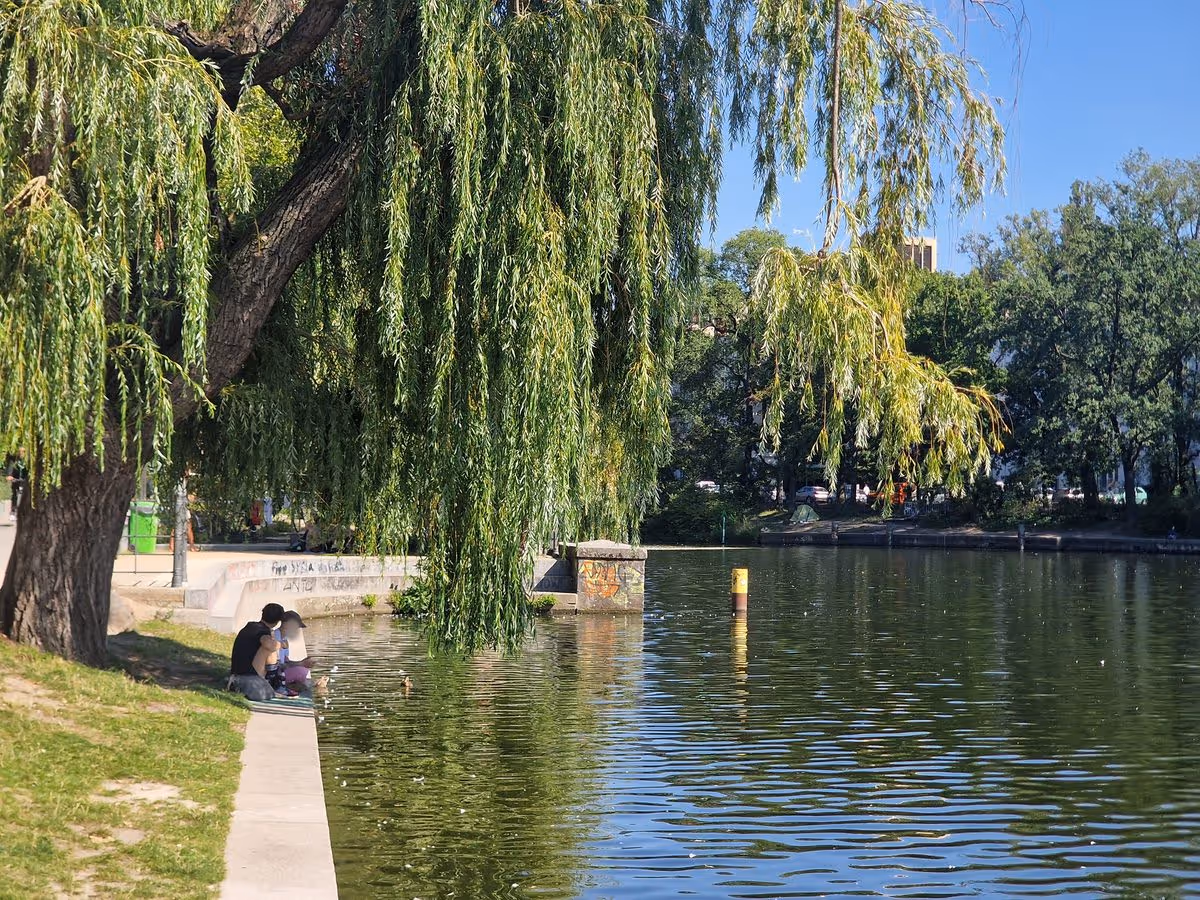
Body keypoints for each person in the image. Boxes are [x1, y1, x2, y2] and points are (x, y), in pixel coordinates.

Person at [227, 603, 286, 700]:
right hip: (249, 675)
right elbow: (269, 645)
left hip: (237, 672)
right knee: (271, 648)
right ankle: (273, 682)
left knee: (271, 645)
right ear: (277, 621)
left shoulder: (250, 627)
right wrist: (282, 644)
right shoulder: (263, 632)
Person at [279, 610, 318, 693]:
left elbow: (286, 661)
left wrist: (302, 662)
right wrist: (301, 664)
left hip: (282, 671)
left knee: (302, 671)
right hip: (275, 673)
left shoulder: (285, 639)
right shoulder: (275, 637)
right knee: (301, 672)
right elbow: (276, 665)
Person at [6, 447, 27, 523]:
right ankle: (13, 512)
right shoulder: (14, 460)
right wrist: (9, 475)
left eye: (23, 451)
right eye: (19, 451)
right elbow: (10, 467)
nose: (21, 453)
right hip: (16, 479)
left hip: (25, 480)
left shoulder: (28, 460)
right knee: (14, 494)